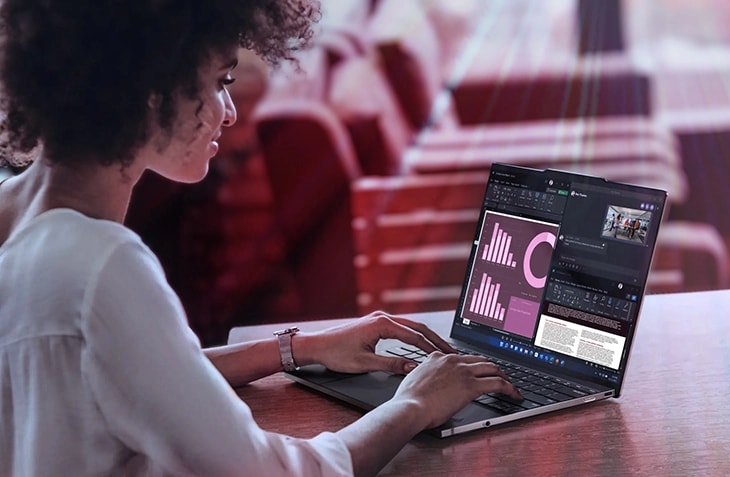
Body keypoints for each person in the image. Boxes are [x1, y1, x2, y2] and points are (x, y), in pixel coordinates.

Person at [0, 1, 521, 476]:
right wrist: (414, 404)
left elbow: (137, 372)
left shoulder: (16, 222)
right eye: (219, 80)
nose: (228, 110)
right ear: (150, 89)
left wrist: (295, 349)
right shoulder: (104, 267)